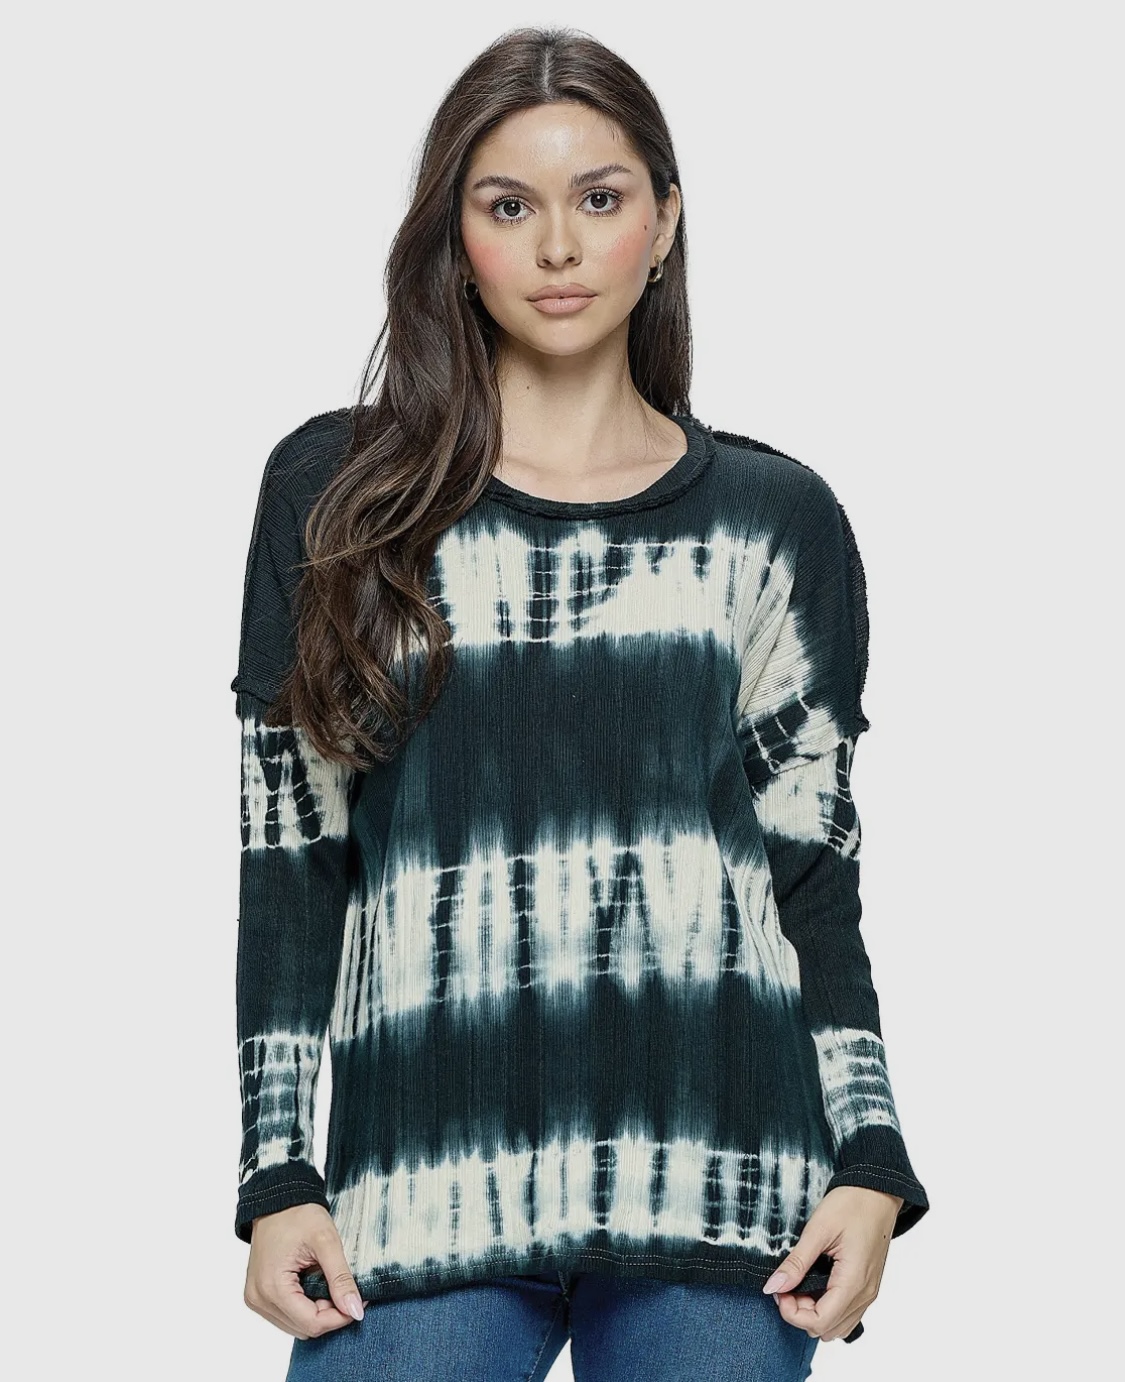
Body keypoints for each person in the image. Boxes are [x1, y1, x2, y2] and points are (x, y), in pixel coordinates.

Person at [231, 25, 930, 1382]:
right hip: (422, 1182)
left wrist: (870, 1156)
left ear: (663, 222)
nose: (558, 246)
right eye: (509, 207)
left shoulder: (774, 520)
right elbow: (291, 860)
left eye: (598, 199)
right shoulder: (339, 497)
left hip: (725, 1181)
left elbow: (810, 871)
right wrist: (275, 1172)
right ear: (455, 239)